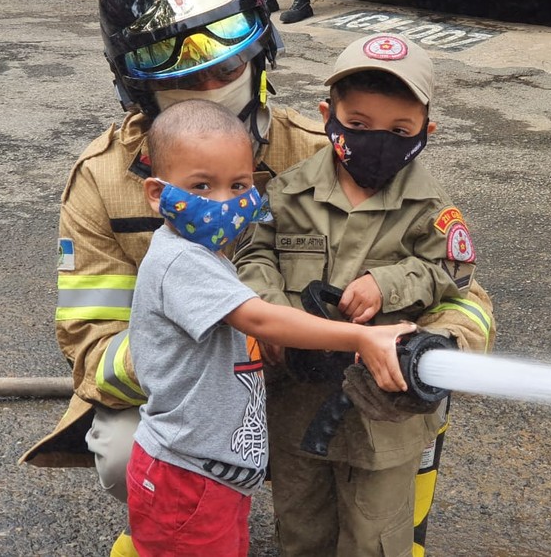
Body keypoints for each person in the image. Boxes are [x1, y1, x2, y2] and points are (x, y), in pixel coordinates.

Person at [18, 0, 331, 557]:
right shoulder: (104, 181)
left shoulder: (316, 157)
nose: (210, 77)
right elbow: (90, 346)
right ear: (134, 84)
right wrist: (193, 348)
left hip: (301, 380)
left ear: (262, 47)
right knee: (118, 451)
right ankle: (164, 519)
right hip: (180, 396)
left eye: (227, 55)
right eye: (176, 60)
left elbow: (450, 289)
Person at [235, 32, 496, 557]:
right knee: (301, 528)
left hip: (384, 419)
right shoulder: (288, 193)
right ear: (327, 114)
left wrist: (388, 283)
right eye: (358, 125)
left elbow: (452, 266)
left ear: (427, 130)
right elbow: (252, 255)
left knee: (374, 538)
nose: (378, 139)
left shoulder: (431, 207)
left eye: (400, 129)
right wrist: (276, 316)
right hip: (297, 402)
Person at [126, 98, 412, 556]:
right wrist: (360, 335)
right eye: (201, 186)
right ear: (158, 193)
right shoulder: (180, 260)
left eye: (237, 184)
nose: (223, 201)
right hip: (188, 478)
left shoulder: (204, 253)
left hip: (212, 475)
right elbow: (258, 317)